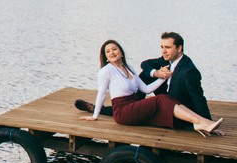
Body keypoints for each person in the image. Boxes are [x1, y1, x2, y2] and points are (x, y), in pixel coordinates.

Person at [80, 39, 222, 136]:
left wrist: (163, 76)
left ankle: (204, 123)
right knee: (161, 99)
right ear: (105, 57)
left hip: (133, 105)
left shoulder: (128, 68)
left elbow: (146, 89)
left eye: (114, 49)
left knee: (166, 98)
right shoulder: (106, 71)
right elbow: (102, 94)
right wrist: (95, 116)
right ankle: (199, 122)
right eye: (108, 51)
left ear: (121, 52)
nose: (112, 52)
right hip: (122, 112)